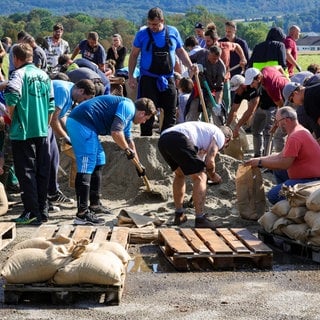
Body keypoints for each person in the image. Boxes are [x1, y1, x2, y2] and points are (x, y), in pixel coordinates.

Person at [66, 96, 157, 225]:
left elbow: (129, 142)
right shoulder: (128, 107)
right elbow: (116, 132)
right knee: (86, 165)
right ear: (142, 113)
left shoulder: (128, 119)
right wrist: (126, 150)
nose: (143, 122)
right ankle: (82, 214)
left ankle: (95, 205)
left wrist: (139, 165)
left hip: (89, 127)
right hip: (81, 123)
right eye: (145, 119)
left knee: (99, 159)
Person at [4, 43, 55, 224]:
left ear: (16, 59)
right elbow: (51, 105)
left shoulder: (18, 74)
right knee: (43, 172)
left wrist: (11, 116)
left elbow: (12, 96)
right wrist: (45, 125)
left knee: (25, 173)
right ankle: (43, 210)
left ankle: (31, 212)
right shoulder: (44, 75)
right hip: (42, 130)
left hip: (22, 131)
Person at [128, 7, 196, 136]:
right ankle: (146, 140)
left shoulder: (173, 32)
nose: (152, 27)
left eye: (155, 24)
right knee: (147, 111)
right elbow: (133, 55)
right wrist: (131, 76)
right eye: (149, 23)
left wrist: (190, 65)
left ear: (162, 21)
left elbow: (180, 52)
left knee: (171, 111)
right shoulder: (142, 34)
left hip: (168, 77)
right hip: (148, 78)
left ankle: (166, 138)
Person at [158, 121, 232, 228]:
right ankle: (200, 219)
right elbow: (209, 162)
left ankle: (179, 214)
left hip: (164, 138)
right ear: (227, 139)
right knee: (201, 177)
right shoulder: (220, 135)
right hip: (179, 139)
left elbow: (199, 163)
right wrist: (213, 176)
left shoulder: (205, 134)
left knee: (180, 174)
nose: (223, 147)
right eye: (226, 145)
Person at [244, 107, 320, 204]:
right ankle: (288, 193)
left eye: (278, 121)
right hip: (309, 175)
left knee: (272, 195)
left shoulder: (295, 137)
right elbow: (280, 155)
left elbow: (285, 164)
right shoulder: (299, 131)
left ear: (287, 120)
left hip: (310, 179)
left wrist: (260, 162)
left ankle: (295, 197)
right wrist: (259, 159)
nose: (277, 125)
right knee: (278, 170)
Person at [49, 79, 96, 212]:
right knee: (46, 162)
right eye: (84, 98)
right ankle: (44, 198)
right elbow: (53, 119)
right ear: (80, 90)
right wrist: (66, 137)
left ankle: (52, 193)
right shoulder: (63, 90)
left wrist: (72, 134)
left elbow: (62, 116)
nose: (82, 101)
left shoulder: (70, 94)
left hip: (45, 127)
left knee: (53, 160)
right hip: (38, 127)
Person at [243, 67, 289, 156]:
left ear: (259, 78)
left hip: (282, 100)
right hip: (264, 105)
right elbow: (279, 66)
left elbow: (282, 106)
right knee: (255, 129)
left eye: (252, 83)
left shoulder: (270, 86)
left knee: (271, 132)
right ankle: (258, 155)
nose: (251, 86)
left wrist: (277, 121)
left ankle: (268, 156)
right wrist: (285, 76)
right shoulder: (265, 69)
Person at [204, 29, 247, 113]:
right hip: (209, 83)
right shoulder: (205, 51)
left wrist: (242, 58)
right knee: (208, 107)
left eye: (208, 41)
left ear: (215, 40)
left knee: (225, 105)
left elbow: (237, 46)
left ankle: (224, 123)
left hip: (225, 80)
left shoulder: (225, 46)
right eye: (205, 41)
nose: (206, 43)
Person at [186, 45, 226, 125]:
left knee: (218, 114)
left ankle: (221, 134)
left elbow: (219, 88)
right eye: (213, 58)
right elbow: (188, 60)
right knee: (192, 113)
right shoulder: (201, 53)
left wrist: (217, 104)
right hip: (197, 89)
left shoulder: (221, 67)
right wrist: (192, 67)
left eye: (216, 59)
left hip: (211, 92)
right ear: (208, 54)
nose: (214, 61)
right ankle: (189, 134)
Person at [226, 74, 260, 138]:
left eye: (236, 89)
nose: (235, 91)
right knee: (255, 130)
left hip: (268, 104)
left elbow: (250, 111)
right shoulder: (239, 93)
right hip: (255, 105)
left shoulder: (253, 88)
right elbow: (233, 110)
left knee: (257, 129)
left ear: (243, 86)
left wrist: (237, 127)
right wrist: (227, 126)